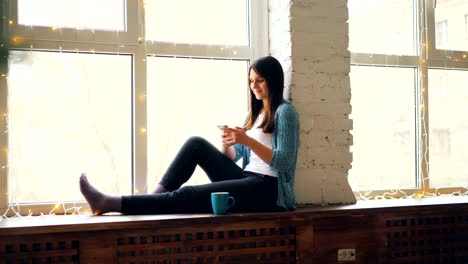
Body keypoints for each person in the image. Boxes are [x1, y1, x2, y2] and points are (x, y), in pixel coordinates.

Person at [79, 55, 300, 215]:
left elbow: (285, 162)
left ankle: (109, 203)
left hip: (268, 191)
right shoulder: (257, 114)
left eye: (259, 80)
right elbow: (236, 156)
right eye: (251, 81)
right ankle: (153, 199)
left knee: (188, 194)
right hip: (247, 178)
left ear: (273, 79)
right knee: (196, 144)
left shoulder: (285, 112)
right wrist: (227, 143)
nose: (254, 86)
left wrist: (248, 140)